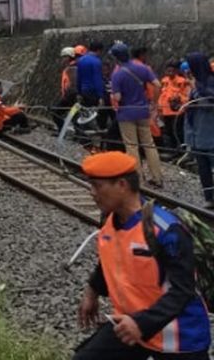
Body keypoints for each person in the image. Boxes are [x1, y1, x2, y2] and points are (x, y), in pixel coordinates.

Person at [74, 151, 210, 360]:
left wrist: (142, 323)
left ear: (122, 185)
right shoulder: (109, 221)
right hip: (131, 327)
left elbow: (183, 291)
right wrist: (92, 291)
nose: (91, 193)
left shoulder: (165, 229)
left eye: (97, 186)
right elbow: (111, 260)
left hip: (178, 339)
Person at [109, 43, 164, 188]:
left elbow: (118, 97)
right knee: (149, 144)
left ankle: (138, 180)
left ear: (116, 58)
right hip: (143, 110)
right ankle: (157, 177)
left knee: (132, 146)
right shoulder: (143, 68)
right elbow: (158, 84)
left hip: (126, 113)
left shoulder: (117, 74)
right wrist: (154, 103)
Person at [183, 52, 214, 207]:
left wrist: (199, 91)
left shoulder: (210, 81)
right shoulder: (195, 84)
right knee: (203, 170)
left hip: (210, 133)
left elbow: (209, 101)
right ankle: (209, 197)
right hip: (197, 135)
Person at [157, 61, 189, 157]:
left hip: (178, 111)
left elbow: (187, 96)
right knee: (169, 131)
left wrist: (179, 99)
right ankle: (173, 151)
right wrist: (160, 108)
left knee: (178, 132)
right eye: (168, 71)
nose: (170, 73)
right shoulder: (164, 81)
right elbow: (162, 95)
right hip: (166, 111)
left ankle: (181, 152)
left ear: (176, 71)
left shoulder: (182, 81)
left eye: (172, 71)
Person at [55, 46, 81, 130]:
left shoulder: (72, 68)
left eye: (64, 57)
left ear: (69, 57)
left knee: (56, 112)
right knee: (74, 115)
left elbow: (73, 85)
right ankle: (75, 133)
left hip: (70, 97)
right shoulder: (71, 67)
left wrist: (68, 96)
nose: (62, 59)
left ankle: (63, 131)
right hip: (70, 96)